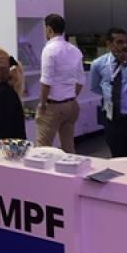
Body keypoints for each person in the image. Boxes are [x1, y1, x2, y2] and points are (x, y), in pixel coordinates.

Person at [89, 27, 127, 158]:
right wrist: (110, 96)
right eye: (119, 42)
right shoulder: (98, 64)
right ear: (109, 44)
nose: (124, 46)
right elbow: (95, 87)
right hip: (112, 118)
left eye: (126, 42)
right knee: (118, 157)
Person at [36, 14, 85, 153]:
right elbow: (81, 80)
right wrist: (71, 97)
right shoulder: (74, 50)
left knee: (42, 149)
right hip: (71, 105)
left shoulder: (49, 50)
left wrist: (42, 104)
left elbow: (46, 82)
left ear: (49, 29)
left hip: (53, 106)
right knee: (69, 148)